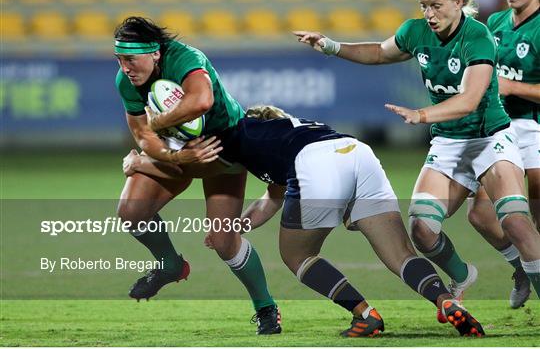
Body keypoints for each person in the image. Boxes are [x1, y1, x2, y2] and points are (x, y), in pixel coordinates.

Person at [124, 105, 486, 338]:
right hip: (358, 153)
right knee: (400, 253)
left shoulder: (239, 132)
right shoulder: (290, 129)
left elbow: (198, 163)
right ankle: (445, 301)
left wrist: (140, 163)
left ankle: (366, 314)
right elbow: (272, 199)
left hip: (316, 164)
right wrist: (240, 225)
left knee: (298, 256)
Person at [293, 0, 540, 322]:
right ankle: (463, 275)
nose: (429, 14)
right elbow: (380, 53)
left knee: (516, 222)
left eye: (436, 6)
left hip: (489, 140)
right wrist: (332, 46)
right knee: (422, 230)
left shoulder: (478, 35)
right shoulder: (414, 31)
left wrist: (421, 115)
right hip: (448, 144)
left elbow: (469, 100)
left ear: (458, 2)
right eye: (424, 6)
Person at [114, 16, 280, 335]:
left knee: (222, 239)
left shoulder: (187, 58)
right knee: (131, 212)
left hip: (224, 144)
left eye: (131, 59)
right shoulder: (126, 80)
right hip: (181, 150)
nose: (125, 68)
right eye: (119, 60)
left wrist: (159, 128)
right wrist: (174, 155)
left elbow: (201, 101)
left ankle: (266, 307)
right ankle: (171, 265)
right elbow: (141, 133)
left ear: (155, 54)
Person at [467, 0, 539, 309]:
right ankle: (521, 267)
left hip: (535, 127)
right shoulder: (494, 22)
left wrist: (512, 87)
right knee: (481, 215)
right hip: (499, 126)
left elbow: (507, 83)